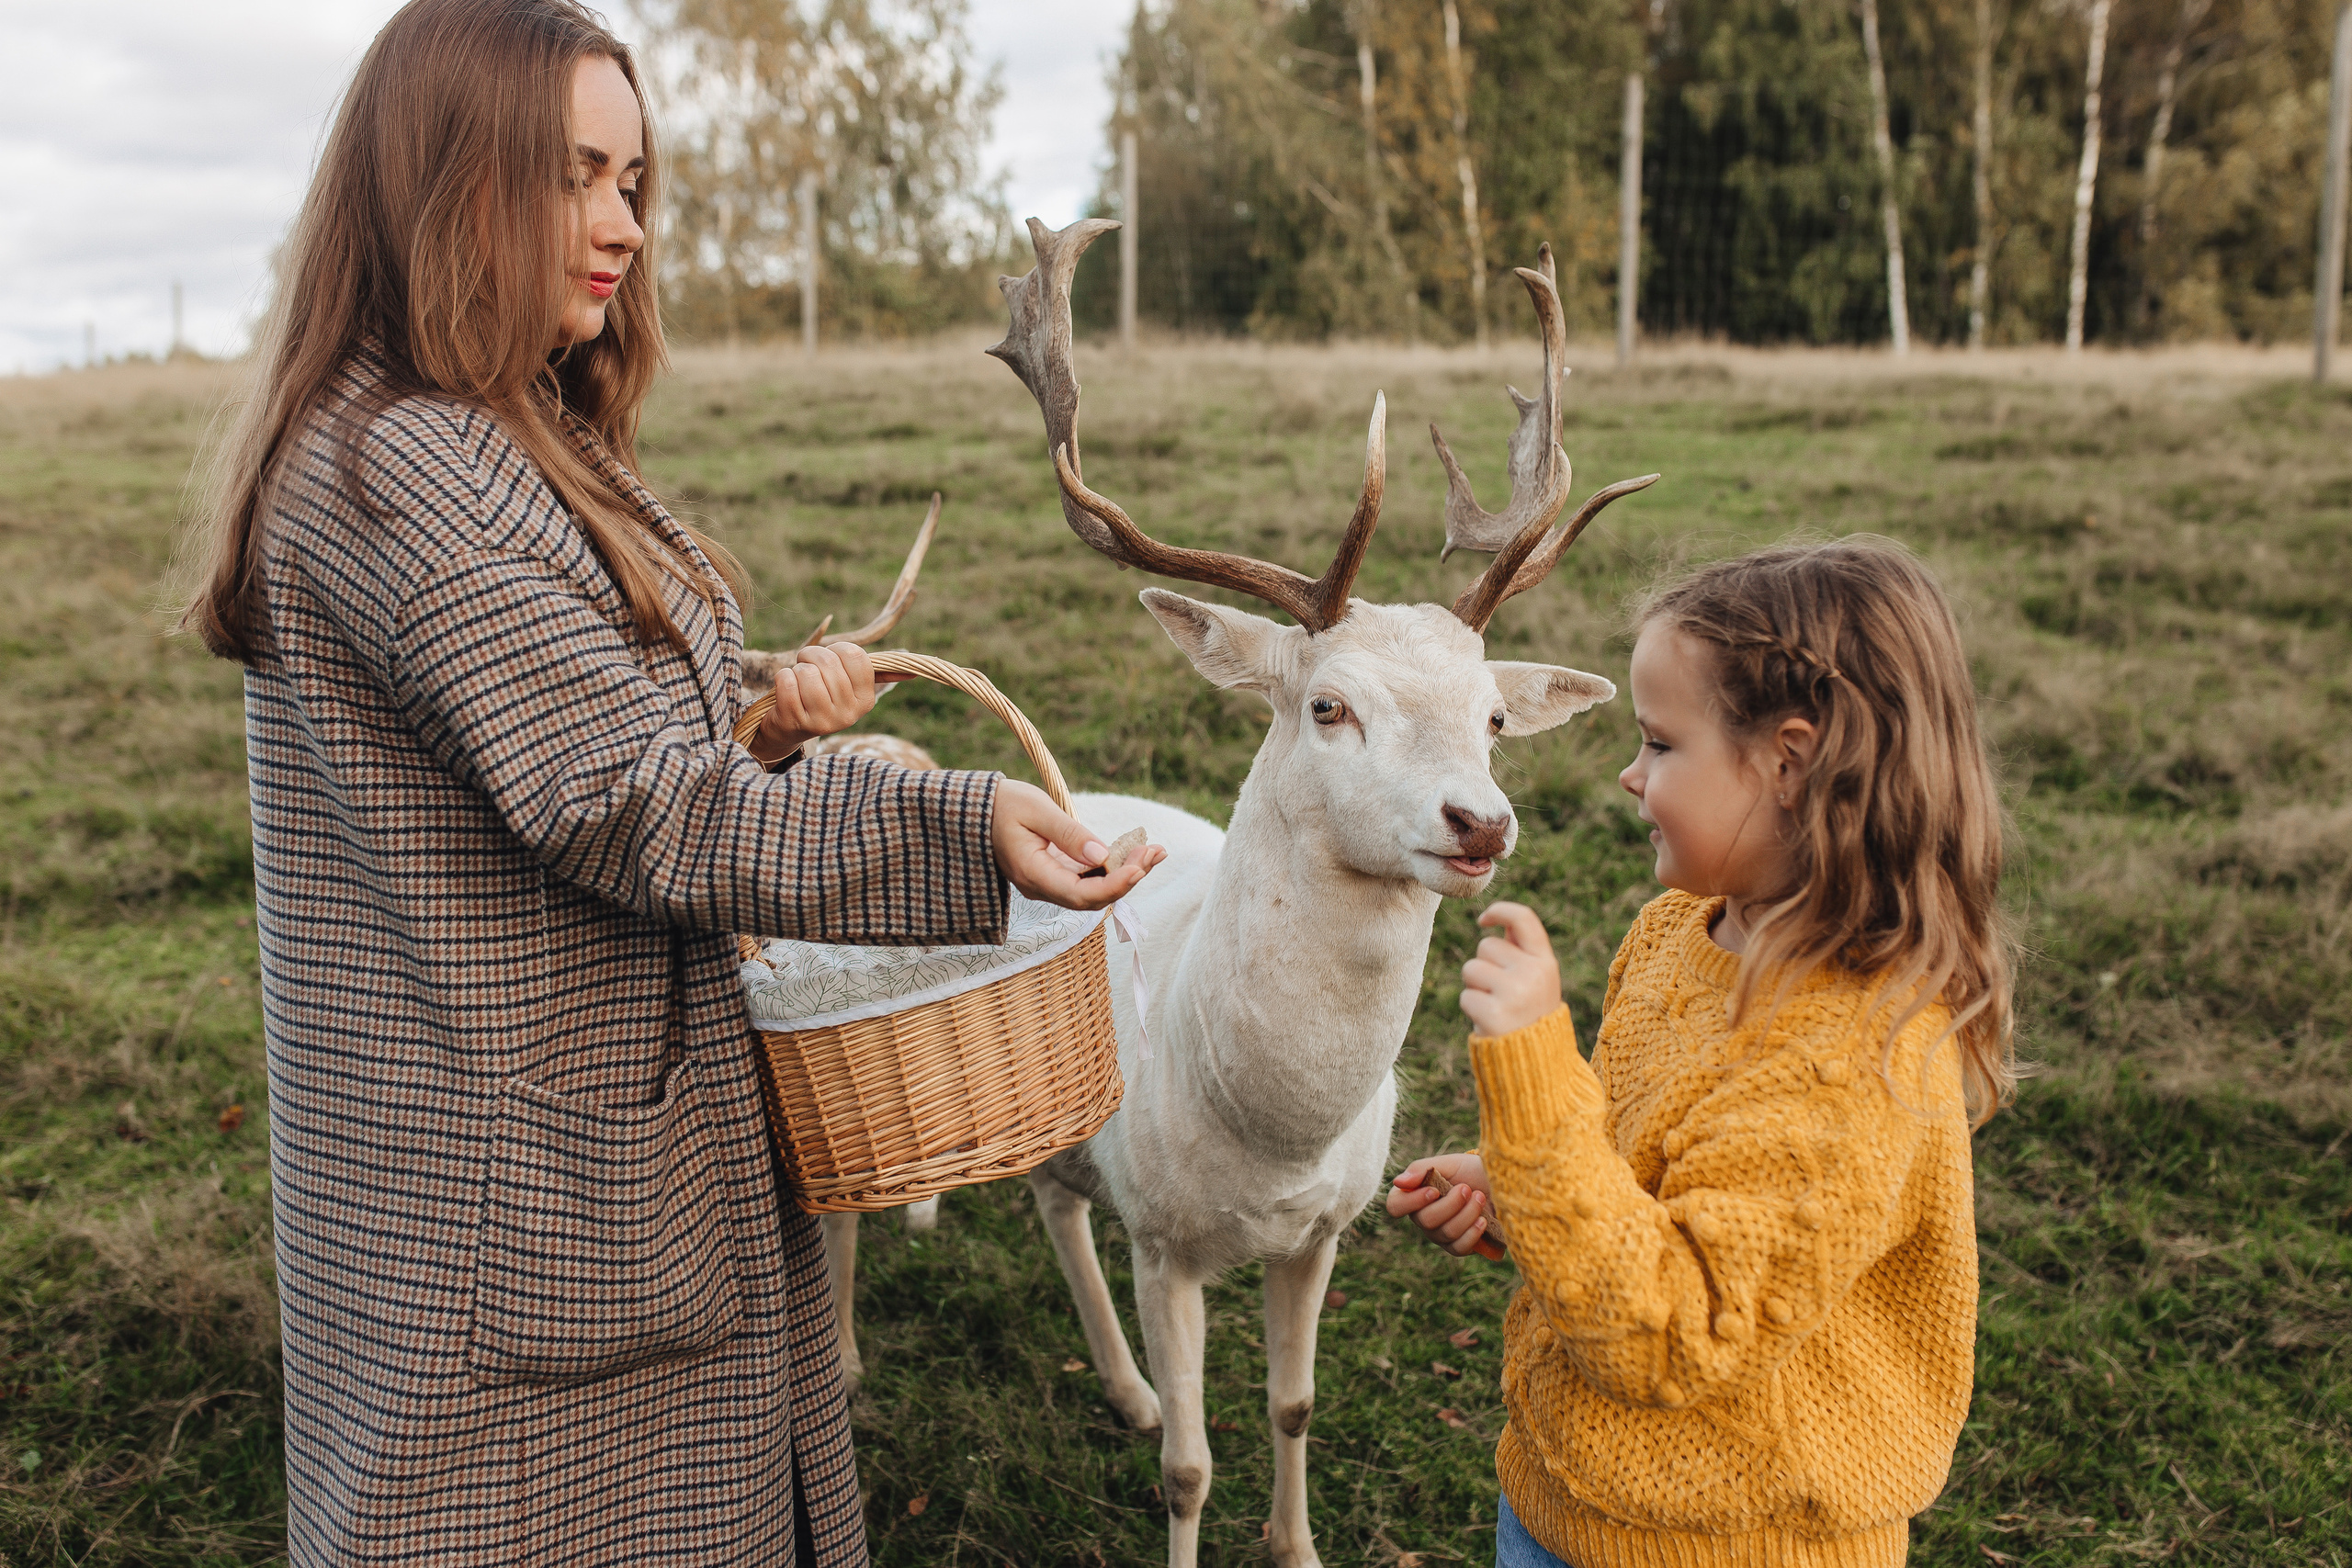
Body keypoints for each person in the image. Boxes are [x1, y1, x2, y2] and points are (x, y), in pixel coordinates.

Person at [175, 3, 1159, 1562]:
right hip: (516, 1221)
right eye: (576, 175)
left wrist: (756, 722)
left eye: (632, 180)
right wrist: (961, 822)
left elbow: (570, 740)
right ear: (444, 179)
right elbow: (628, 803)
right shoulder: (404, 470)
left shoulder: (508, 424)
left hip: (566, 1176)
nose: (626, 224)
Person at [1387, 538, 2016, 1568]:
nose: (1630, 775)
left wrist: (1536, 1085)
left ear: (1788, 763)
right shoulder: (1681, 932)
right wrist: (1524, 1190)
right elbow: (1640, 1171)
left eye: (1661, 744)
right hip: (1560, 1499)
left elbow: (1676, 1329)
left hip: (1731, 1541)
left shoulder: (1851, 1057)